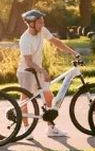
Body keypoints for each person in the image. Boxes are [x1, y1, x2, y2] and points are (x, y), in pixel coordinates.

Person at [18, 9, 82, 139]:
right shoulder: (25, 39)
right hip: (26, 71)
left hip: (38, 70)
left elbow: (56, 42)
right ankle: (26, 130)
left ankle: (51, 128)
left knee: (48, 97)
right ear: (31, 23)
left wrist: (72, 52)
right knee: (25, 99)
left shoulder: (42, 31)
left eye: (42, 22)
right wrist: (43, 71)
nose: (42, 24)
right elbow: (29, 62)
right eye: (39, 22)